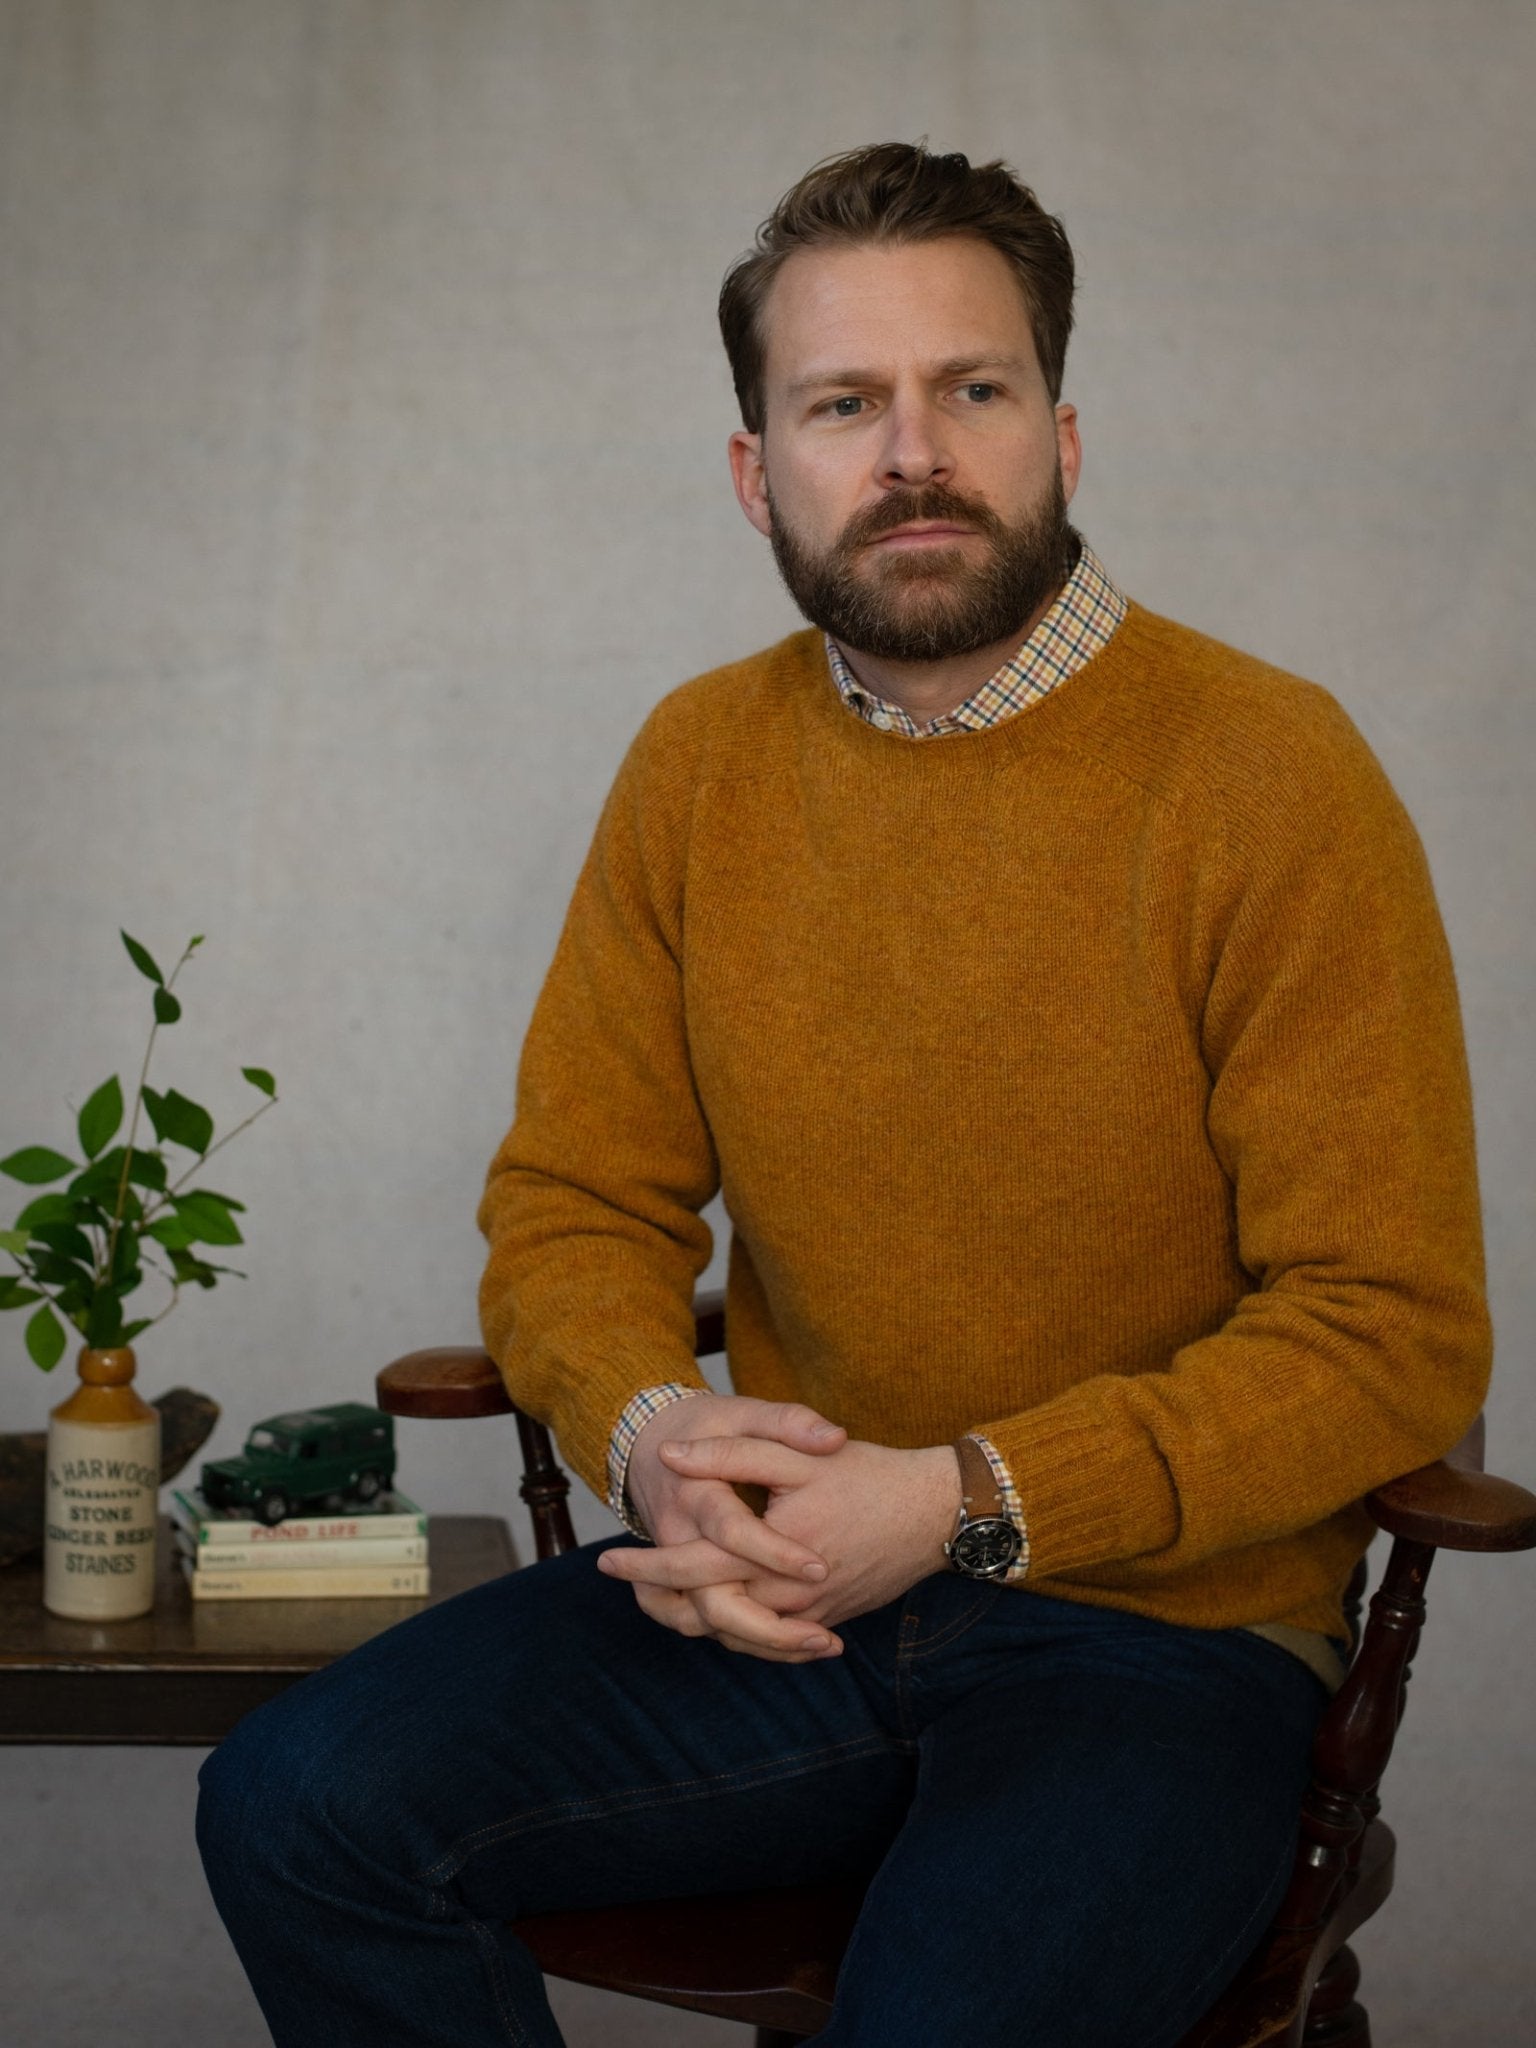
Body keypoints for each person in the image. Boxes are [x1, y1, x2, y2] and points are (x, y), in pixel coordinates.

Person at [197, 143, 1491, 2047]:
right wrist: (655, 1441)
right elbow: (575, 1200)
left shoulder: (1272, 776)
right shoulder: (701, 766)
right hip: (779, 1595)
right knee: (298, 1810)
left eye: (970, 389)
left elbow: (1392, 1332)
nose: (913, 453)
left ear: (1062, 431)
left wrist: (967, 1501)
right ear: (758, 474)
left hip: (1164, 1639)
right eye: (842, 404)